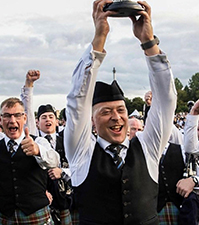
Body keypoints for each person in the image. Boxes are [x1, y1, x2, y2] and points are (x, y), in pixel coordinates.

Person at [64, 0, 177, 224]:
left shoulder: (148, 147)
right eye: (106, 112)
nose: (116, 117)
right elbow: (78, 100)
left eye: (121, 110)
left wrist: (148, 42)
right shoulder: (81, 152)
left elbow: (166, 100)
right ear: (92, 122)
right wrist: (99, 38)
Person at [20, 70, 78, 225]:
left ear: (57, 120)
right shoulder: (34, 138)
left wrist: (62, 172)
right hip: (42, 199)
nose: (48, 120)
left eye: (51, 117)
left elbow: (80, 166)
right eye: (43, 117)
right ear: (37, 122)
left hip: (66, 198)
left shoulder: (66, 139)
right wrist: (29, 86)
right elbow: (26, 109)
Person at [0, 97, 60, 224]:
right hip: (5, 216)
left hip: (36, 213)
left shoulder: (38, 141)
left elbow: (54, 161)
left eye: (17, 115)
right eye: (7, 116)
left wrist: (38, 151)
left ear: (25, 118)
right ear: (1, 120)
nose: (12, 120)